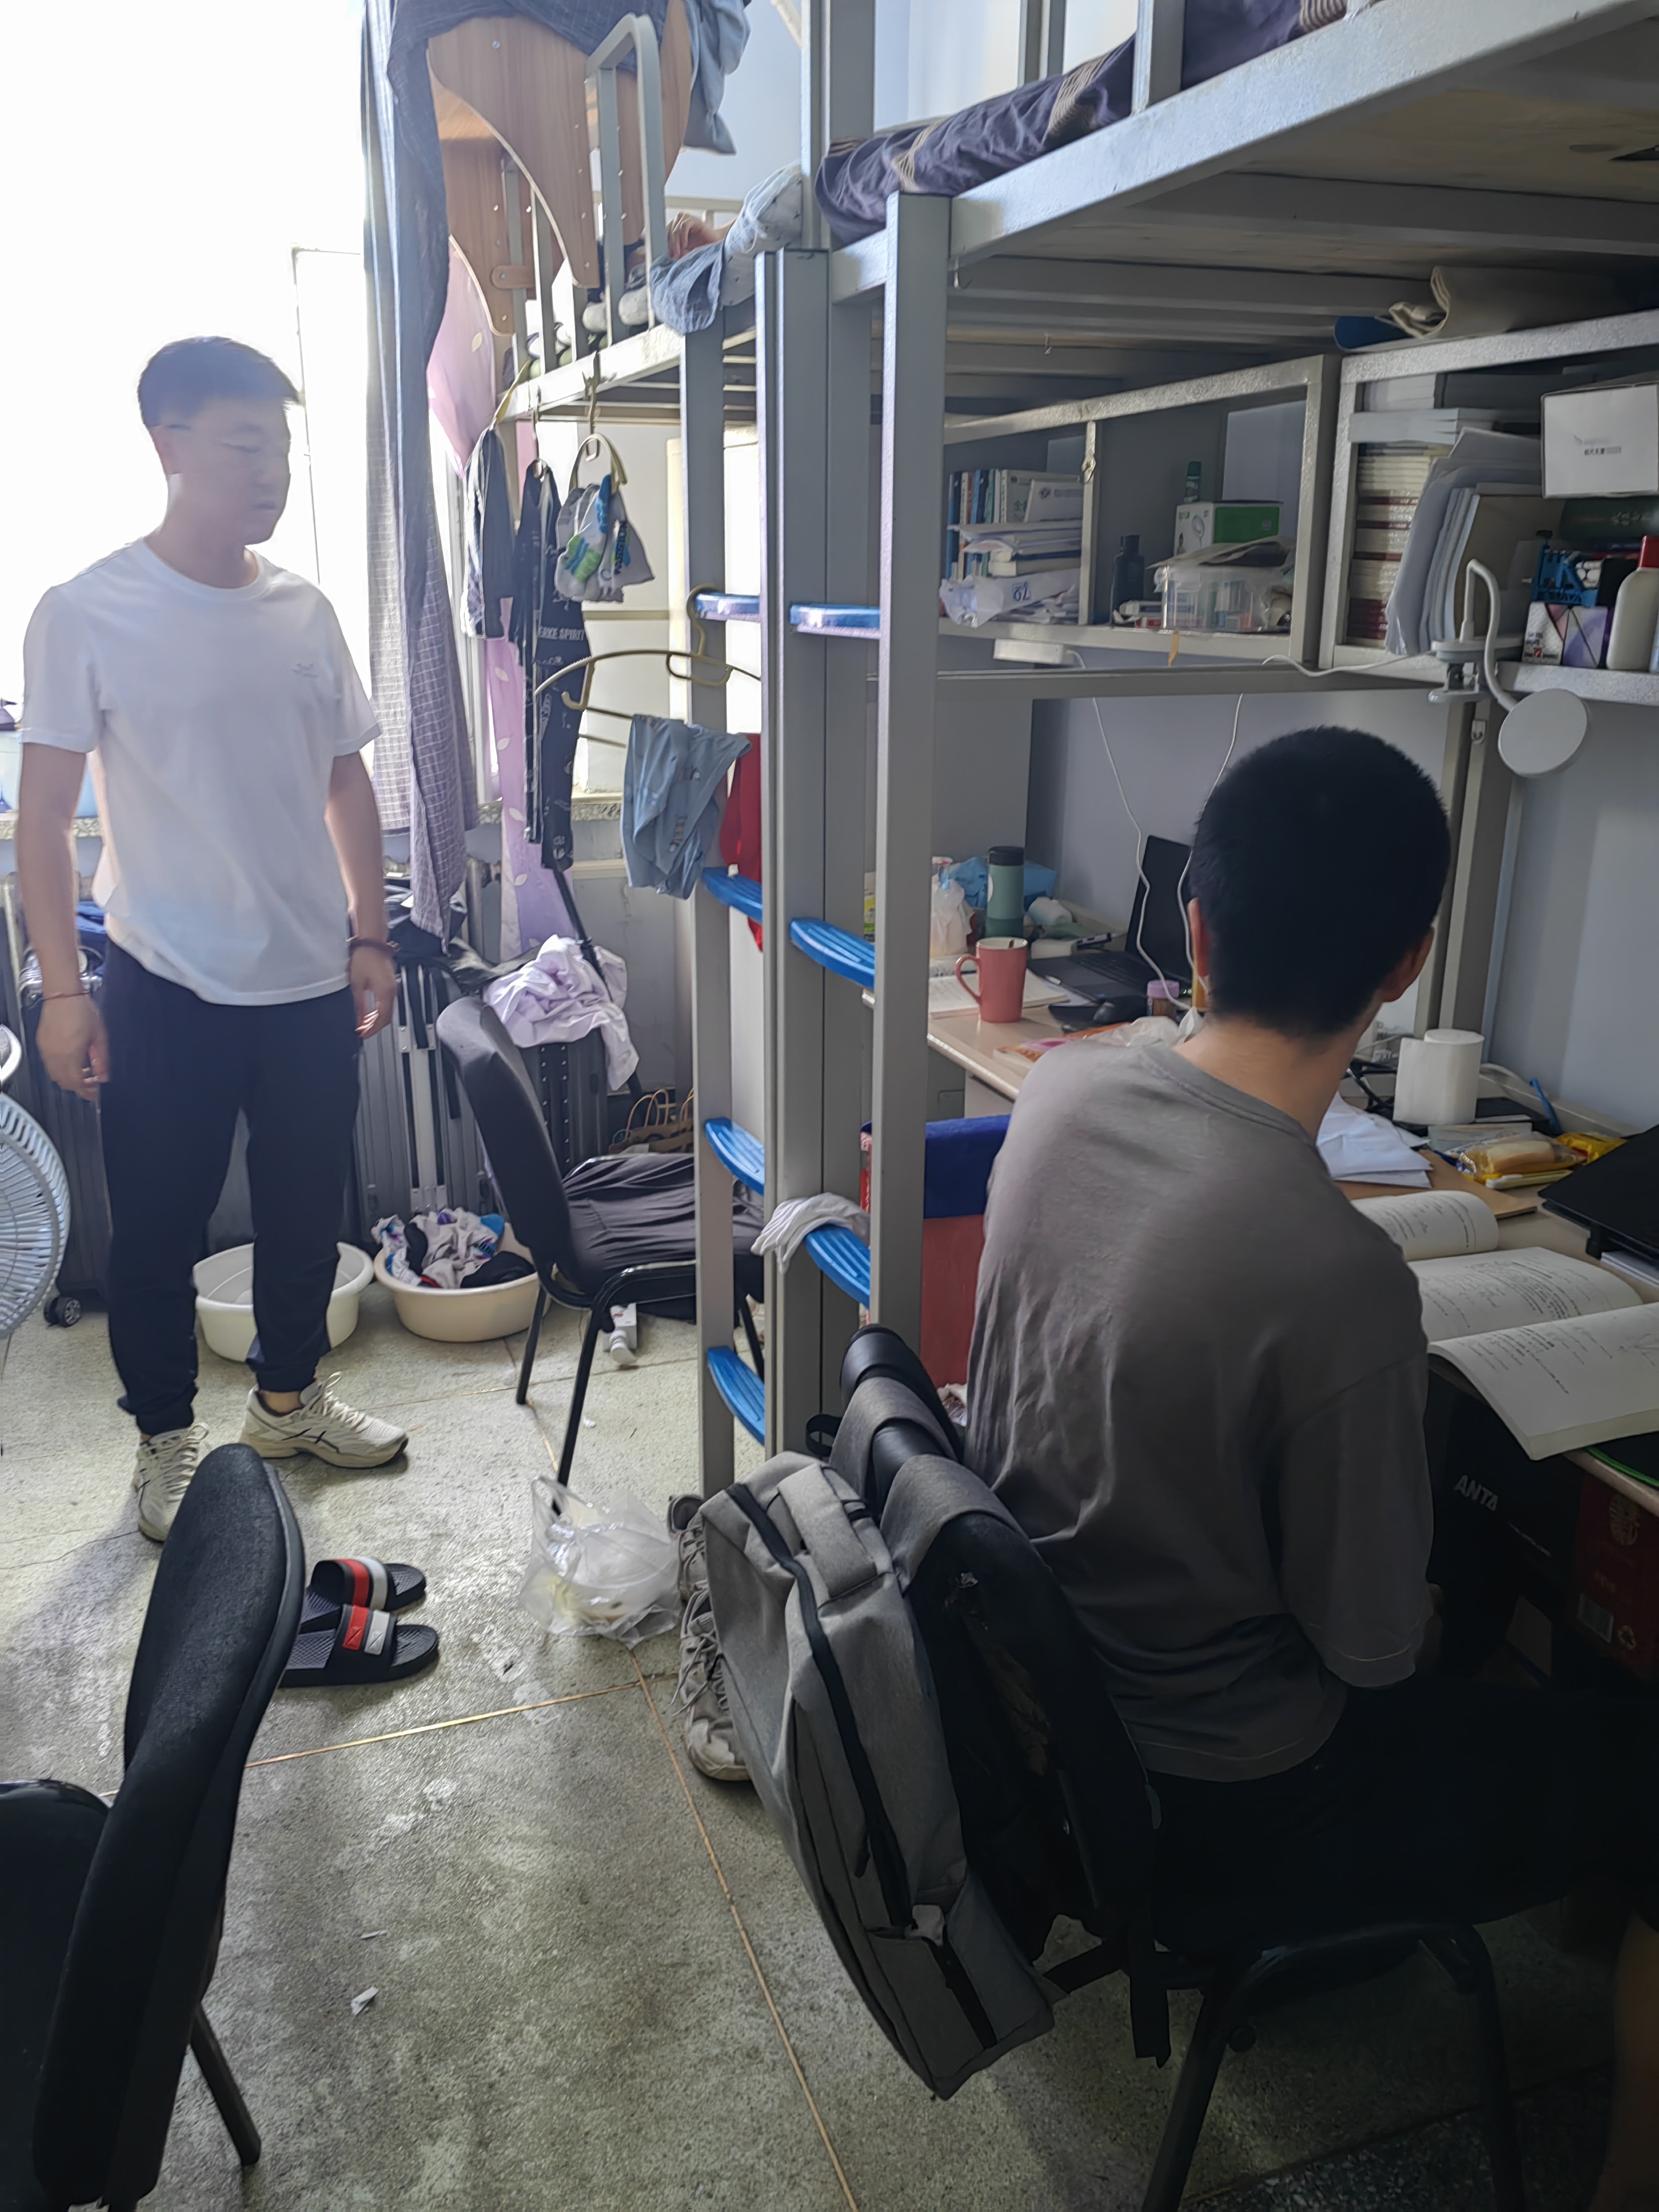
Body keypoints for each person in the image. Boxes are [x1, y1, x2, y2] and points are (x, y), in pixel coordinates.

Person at [968, 727, 1659, 2212]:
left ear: (1196, 930)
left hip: (1049, 1730)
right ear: (1407, 965)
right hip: (1230, 1806)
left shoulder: (1063, 1091)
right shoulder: (1336, 1281)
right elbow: (1371, 1653)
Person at [17, 335, 409, 1541]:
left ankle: (286, 1404)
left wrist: (372, 933)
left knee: (303, 1216)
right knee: (155, 1231)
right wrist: (64, 991)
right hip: (163, 985)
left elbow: (345, 781)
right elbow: (42, 822)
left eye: (281, 449)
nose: (271, 472)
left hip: (307, 982)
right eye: (245, 446)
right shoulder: (84, 611)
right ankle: (163, 1441)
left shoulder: (304, 613)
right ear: (169, 445)